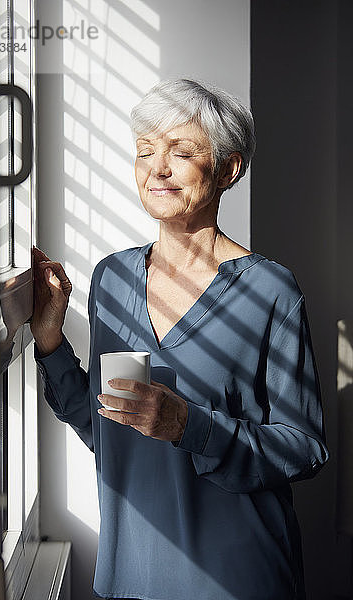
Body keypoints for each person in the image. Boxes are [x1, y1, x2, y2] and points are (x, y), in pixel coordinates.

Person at [31, 78, 329, 600]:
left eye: (181, 152)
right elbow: (106, 429)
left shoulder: (270, 290)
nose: (157, 168)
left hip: (237, 578)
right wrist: (51, 340)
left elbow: (304, 447)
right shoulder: (112, 279)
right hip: (129, 574)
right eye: (145, 152)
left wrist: (190, 426)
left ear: (228, 169)